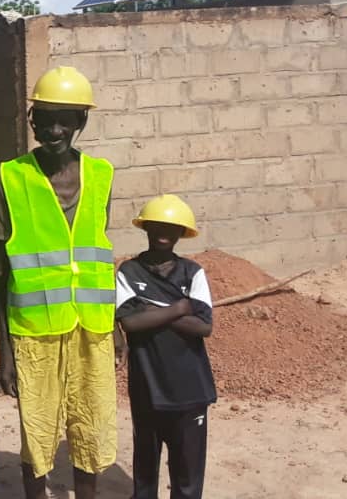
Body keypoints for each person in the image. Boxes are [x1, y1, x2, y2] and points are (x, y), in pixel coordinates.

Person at [0, 66, 116, 499]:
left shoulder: (101, 175)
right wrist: (4, 350)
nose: (55, 129)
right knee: (37, 432)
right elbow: (0, 274)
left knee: (91, 426)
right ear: (32, 121)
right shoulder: (10, 177)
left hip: (92, 328)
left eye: (65, 119)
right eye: (45, 119)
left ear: (82, 120)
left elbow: (98, 257)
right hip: (34, 332)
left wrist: (114, 326)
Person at [116, 194, 215, 499]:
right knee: (145, 471)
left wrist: (151, 311)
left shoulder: (193, 273)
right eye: (157, 225)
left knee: (187, 475)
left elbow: (204, 326)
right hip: (148, 387)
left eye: (172, 228)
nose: (163, 232)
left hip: (190, 389)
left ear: (182, 233)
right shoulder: (129, 272)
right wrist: (179, 308)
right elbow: (130, 323)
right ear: (146, 227)